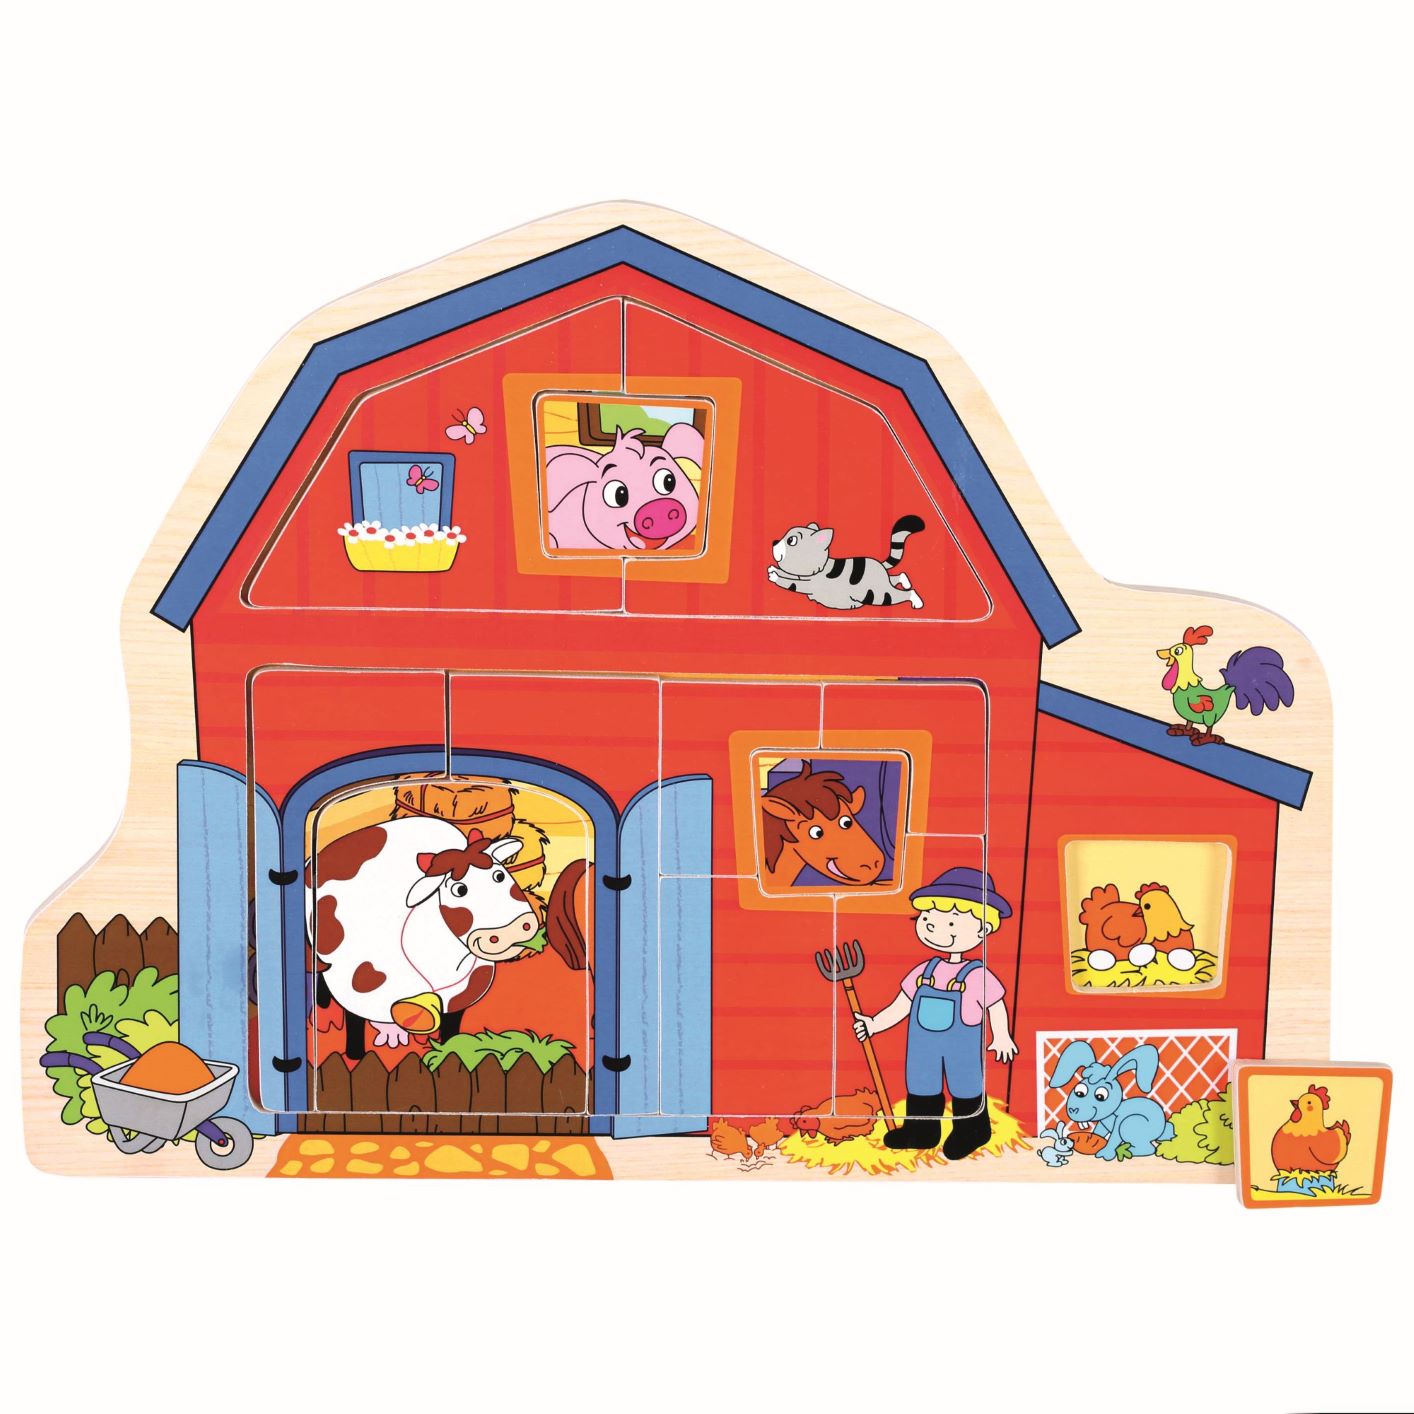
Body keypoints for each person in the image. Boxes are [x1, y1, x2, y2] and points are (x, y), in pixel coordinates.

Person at [853, 867, 1017, 1157]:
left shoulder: (977, 975)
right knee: (921, 1084)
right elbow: (902, 1004)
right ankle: (922, 1132)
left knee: (965, 1087)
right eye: (928, 919)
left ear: (983, 929)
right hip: (923, 1049)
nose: (933, 928)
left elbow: (996, 1005)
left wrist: (1002, 1036)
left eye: (951, 923)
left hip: (961, 1049)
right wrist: (875, 1024)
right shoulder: (924, 971)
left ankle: (972, 1131)